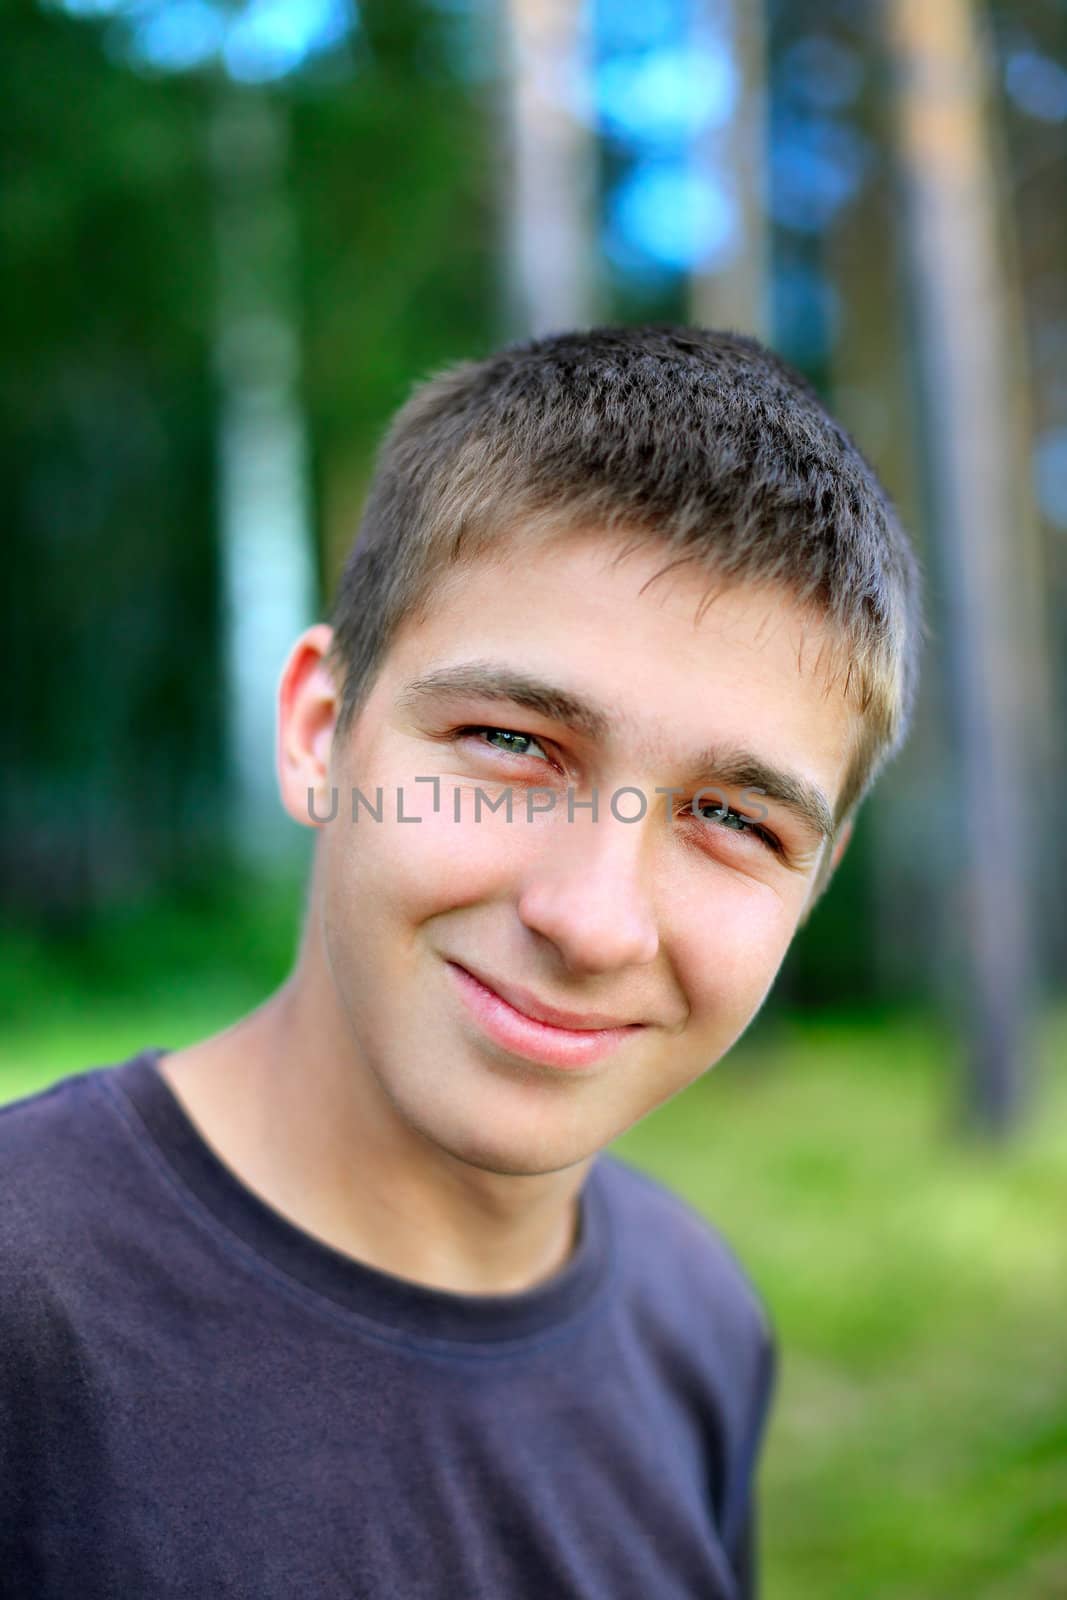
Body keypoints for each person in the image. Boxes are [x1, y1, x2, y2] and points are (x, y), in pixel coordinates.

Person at [0, 326, 922, 1599]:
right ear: (323, 732)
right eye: (509, 741)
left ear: (808, 887)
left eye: (733, 820)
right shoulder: (26, 1305)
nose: (594, 921)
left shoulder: (698, 1319)